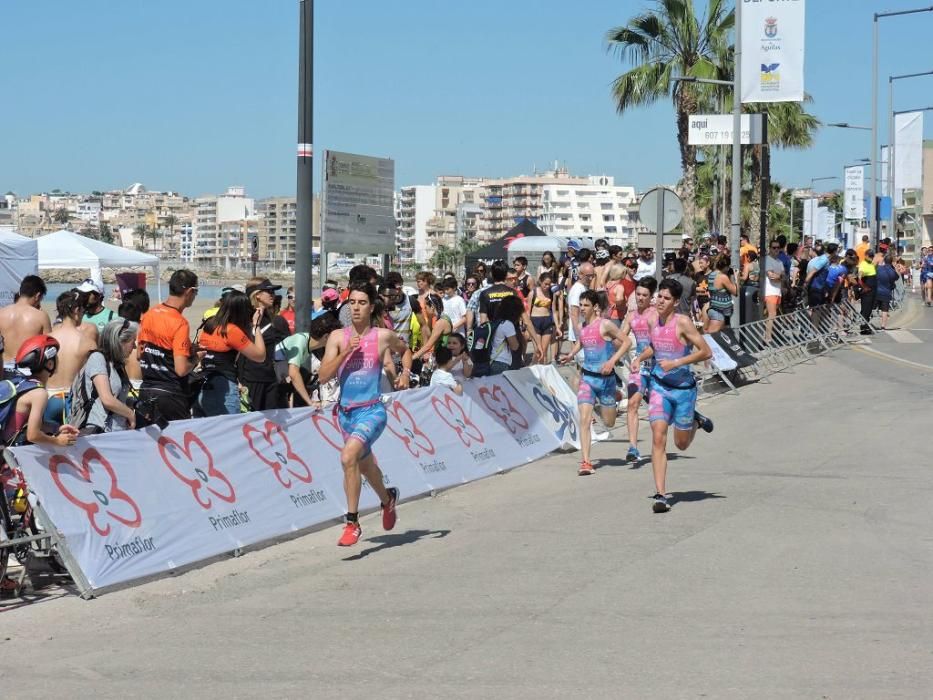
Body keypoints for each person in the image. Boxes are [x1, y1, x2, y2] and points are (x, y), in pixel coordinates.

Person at [317, 281, 412, 547]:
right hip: (345, 414)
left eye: (362, 303)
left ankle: (352, 523)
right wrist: (346, 352)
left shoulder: (382, 336)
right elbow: (323, 376)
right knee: (366, 467)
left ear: (371, 307)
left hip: (372, 411)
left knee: (348, 458)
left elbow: (406, 352)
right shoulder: (337, 337)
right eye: (352, 303)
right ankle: (387, 499)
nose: (356, 308)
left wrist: (404, 373)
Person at [632, 278, 714, 514]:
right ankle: (661, 494)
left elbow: (705, 351)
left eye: (666, 298)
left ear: (676, 302)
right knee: (658, 437)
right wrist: (639, 358)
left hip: (684, 390)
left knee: (681, 444)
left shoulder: (683, 323)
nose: (660, 301)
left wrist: (677, 362)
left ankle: (696, 422)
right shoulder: (651, 320)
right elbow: (654, 348)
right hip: (659, 386)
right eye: (659, 296)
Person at [560, 290, 631, 475]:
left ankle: (616, 396)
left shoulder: (605, 325)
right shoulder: (583, 327)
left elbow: (627, 342)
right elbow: (582, 342)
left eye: (586, 305)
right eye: (581, 305)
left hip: (606, 381)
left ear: (596, 307)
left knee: (609, 423)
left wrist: (612, 361)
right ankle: (586, 462)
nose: (582, 309)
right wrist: (570, 355)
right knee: (583, 420)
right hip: (588, 379)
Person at [138, 269, 200, 423]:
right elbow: (181, 369)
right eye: (196, 291)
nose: (195, 296)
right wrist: (196, 358)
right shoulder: (179, 322)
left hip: (146, 390)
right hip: (170, 394)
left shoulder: (150, 314)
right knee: (178, 444)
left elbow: (140, 354)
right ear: (189, 291)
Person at [195, 291, 266, 416]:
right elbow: (260, 356)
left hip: (202, 384)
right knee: (229, 431)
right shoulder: (232, 330)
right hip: (223, 387)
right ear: (241, 311)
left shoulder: (210, 324)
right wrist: (256, 325)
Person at [3, 336, 78, 448]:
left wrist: (56, 428)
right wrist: (58, 441)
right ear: (49, 364)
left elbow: (25, 424)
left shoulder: (24, 383)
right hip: (12, 455)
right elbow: (33, 435)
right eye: (56, 358)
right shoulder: (39, 393)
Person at [71, 319, 139, 433]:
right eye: (133, 342)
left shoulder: (116, 364)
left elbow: (117, 397)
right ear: (120, 341)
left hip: (116, 431)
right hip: (100, 430)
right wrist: (130, 414)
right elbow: (107, 399)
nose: (135, 348)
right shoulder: (97, 358)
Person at [45, 291, 98, 428]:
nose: (83, 314)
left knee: (49, 445)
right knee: (75, 445)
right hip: (73, 399)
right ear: (76, 310)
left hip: (49, 398)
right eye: (82, 310)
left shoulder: (47, 339)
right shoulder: (87, 342)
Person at [619, 276, 658, 462]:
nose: (640, 298)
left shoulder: (655, 315)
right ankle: (633, 447)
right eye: (638, 294)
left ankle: (694, 416)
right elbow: (621, 337)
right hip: (640, 366)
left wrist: (641, 356)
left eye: (645, 295)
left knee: (664, 408)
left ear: (651, 297)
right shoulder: (631, 315)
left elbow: (657, 345)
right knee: (633, 404)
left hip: (658, 366)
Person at [238, 278, 289, 411]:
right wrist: (238, 381)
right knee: (251, 421)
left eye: (273, 291)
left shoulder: (268, 316)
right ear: (257, 295)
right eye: (269, 291)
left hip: (269, 377)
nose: (273, 295)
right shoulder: (245, 317)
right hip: (251, 379)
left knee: (271, 423)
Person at [276, 312, 342, 408]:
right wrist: (310, 402)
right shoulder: (300, 340)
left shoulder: (307, 343)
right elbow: (294, 373)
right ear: (326, 337)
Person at [0, 275, 51, 368]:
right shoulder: (41, 316)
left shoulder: (1, 313)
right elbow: (49, 348)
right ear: (37, 295)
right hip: (27, 369)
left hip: (3, 366)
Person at [488, 295, 525, 375]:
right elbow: (514, 346)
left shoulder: (496, 322)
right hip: (501, 362)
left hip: (492, 359)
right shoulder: (507, 324)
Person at [528, 273, 560, 363]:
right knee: (538, 351)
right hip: (535, 322)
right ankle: (534, 369)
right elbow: (528, 311)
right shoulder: (533, 293)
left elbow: (554, 311)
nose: (547, 286)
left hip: (547, 322)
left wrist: (557, 327)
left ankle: (542, 373)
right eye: (545, 284)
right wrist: (527, 326)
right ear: (540, 282)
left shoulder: (551, 293)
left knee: (544, 351)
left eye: (549, 284)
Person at [706, 255, 737, 333]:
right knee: (712, 337)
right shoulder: (722, 277)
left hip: (715, 309)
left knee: (721, 337)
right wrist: (736, 277)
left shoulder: (711, 275)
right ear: (726, 266)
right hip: (719, 312)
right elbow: (735, 292)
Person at [763, 240, 786, 341]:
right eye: (774, 247)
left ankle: (768, 335)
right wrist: (780, 276)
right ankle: (768, 338)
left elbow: (783, 276)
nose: (776, 249)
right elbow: (771, 276)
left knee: (772, 314)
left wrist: (779, 277)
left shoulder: (780, 261)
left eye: (778, 247)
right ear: (770, 248)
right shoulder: (767, 260)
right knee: (772, 314)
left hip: (778, 291)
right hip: (770, 291)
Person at [874, 254, 900, 330]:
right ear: (891, 262)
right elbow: (896, 277)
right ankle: (883, 326)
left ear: (884, 261)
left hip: (877, 292)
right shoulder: (892, 271)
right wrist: (895, 268)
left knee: (873, 308)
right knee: (885, 310)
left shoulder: (878, 268)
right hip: (886, 292)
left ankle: (868, 323)